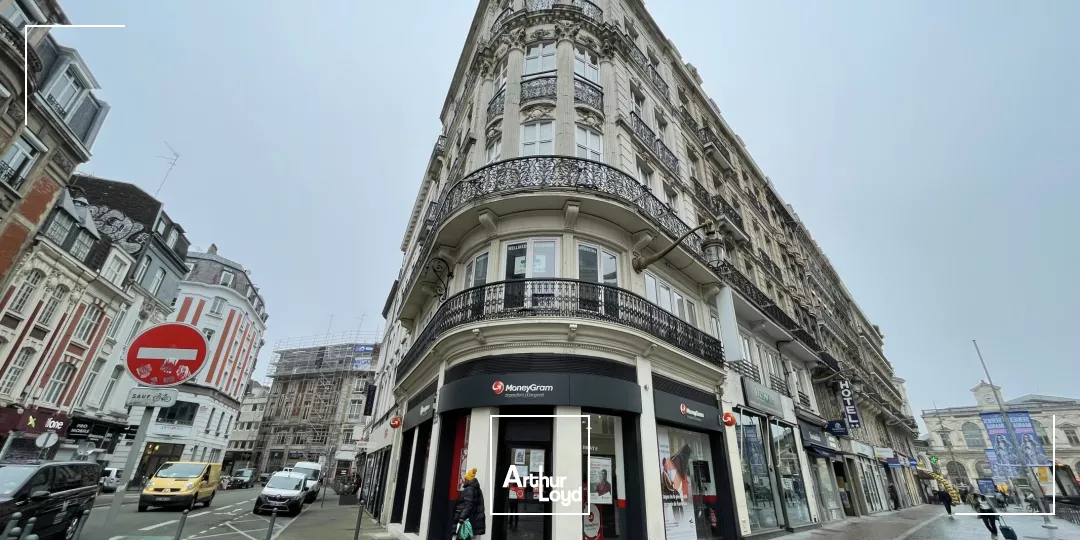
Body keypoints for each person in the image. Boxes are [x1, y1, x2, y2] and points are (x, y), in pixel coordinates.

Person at [453, 468, 487, 538]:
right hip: (474, 520)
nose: (464, 481)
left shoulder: (469, 489)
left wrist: (461, 518)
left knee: (463, 536)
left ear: (468, 479)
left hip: (468, 519)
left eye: (465, 479)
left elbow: (468, 505)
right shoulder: (476, 489)